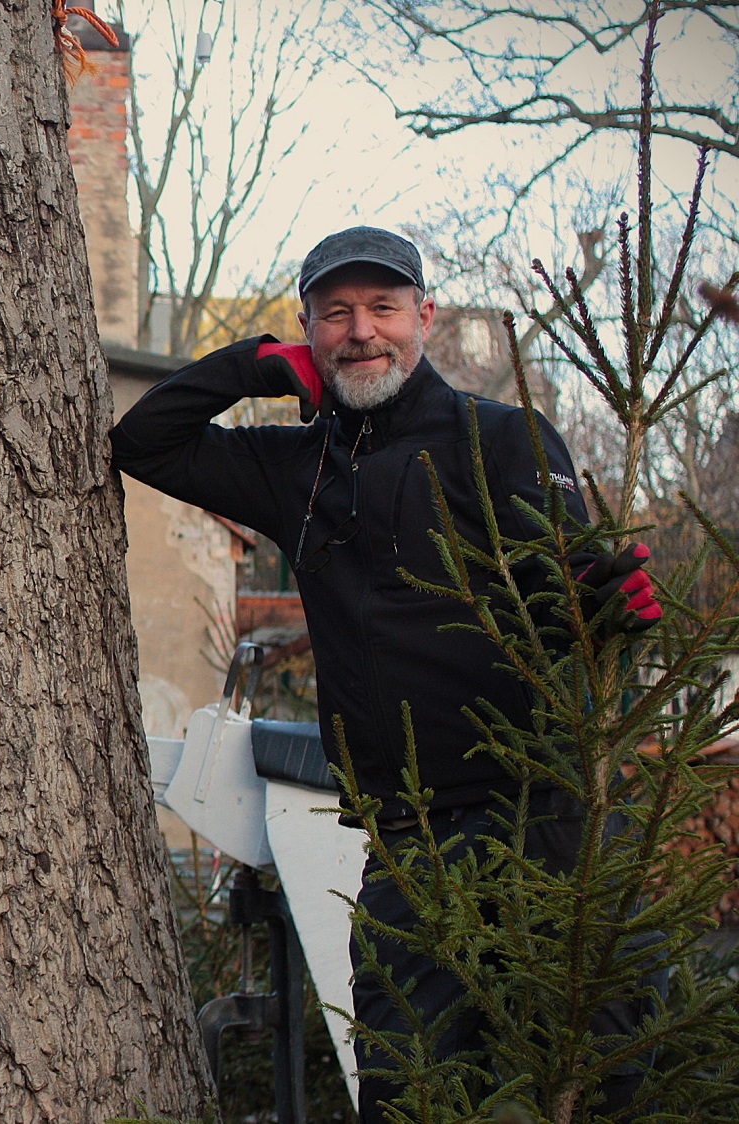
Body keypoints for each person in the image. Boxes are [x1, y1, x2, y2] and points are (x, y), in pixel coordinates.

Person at [108, 227, 659, 1119]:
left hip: (545, 827)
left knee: (601, 1089)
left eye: (383, 308)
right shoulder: (297, 469)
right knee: (409, 1097)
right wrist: (250, 365)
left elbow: (560, 604)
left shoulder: (504, 440)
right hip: (407, 847)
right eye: (336, 313)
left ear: (425, 318)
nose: (362, 330)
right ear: (309, 332)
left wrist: (601, 609)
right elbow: (147, 441)